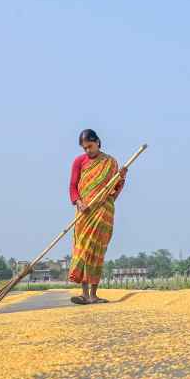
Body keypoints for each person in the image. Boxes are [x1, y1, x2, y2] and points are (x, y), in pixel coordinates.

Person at [67, 129, 127, 304]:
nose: (88, 151)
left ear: (98, 142)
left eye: (90, 146)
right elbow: (72, 187)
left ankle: (93, 295)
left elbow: (114, 190)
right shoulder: (79, 161)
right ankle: (84, 294)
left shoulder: (110, 162)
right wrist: (79, 203)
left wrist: (121, 177)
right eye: (84, 148)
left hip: (103, 212)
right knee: (83, 250)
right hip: (84, 213)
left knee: (97, 251)